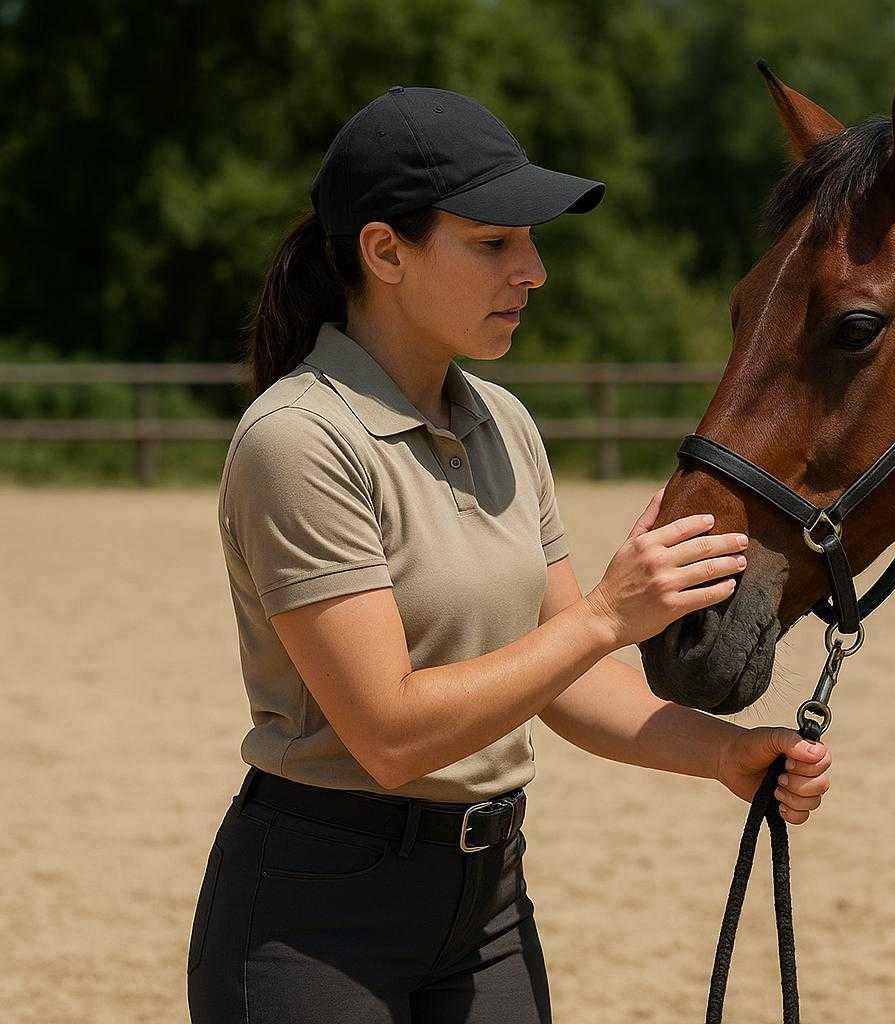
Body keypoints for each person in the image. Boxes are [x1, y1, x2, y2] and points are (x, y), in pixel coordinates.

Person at [185, 85, 833, 1024]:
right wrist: (611, 616)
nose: (532, 270)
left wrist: (727, 755)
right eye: (493, 243)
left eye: (530, 242)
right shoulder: (298, 440)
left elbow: (564, 680)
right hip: (318, 918)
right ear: (384, 251)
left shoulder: (503, 423)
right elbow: (391, 733)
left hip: (488, 906)